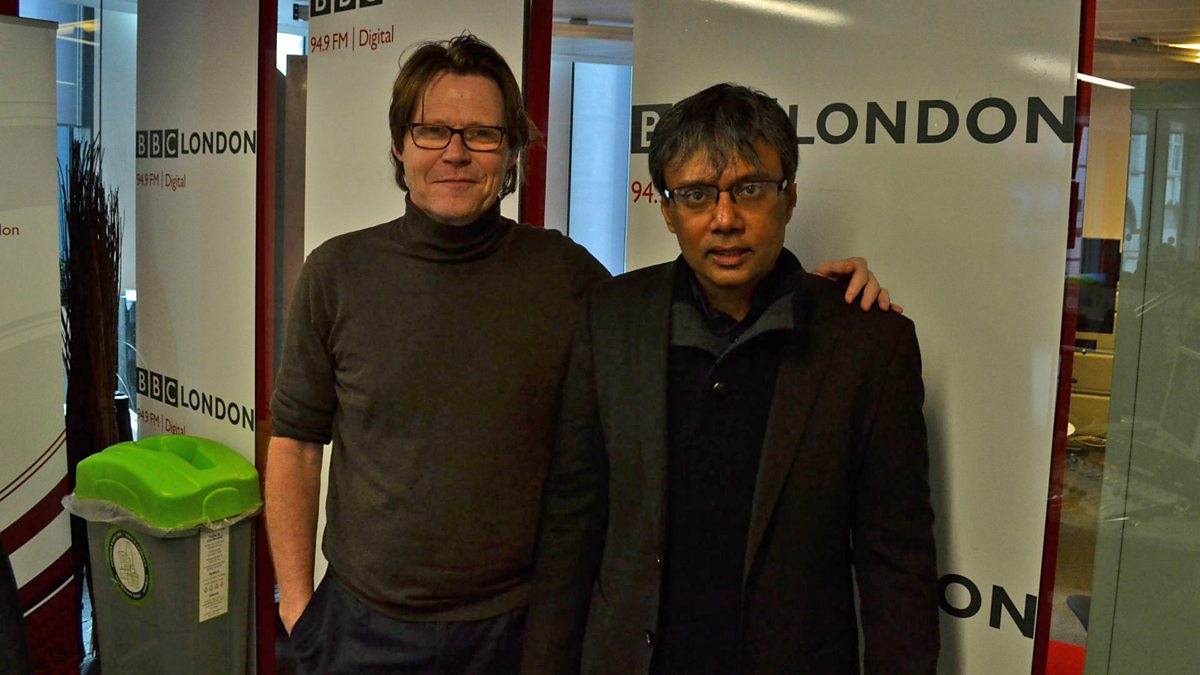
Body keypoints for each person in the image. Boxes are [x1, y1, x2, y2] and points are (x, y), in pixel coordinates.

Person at [266, 35, 894, 673]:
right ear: (401, 145)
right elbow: (295, 443)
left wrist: (815, 298)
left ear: (512, 151)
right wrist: (297, 607)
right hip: (361, 630)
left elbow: (690, 294)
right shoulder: (336, 273)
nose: (455, 153)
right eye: (431, 131)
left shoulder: (567, 277)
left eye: (482, 134)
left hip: (519, 631)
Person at [521, 83, 939, 674]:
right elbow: (573, 522)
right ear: (667, 211)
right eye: (696, 195)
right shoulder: (610, 318)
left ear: (789, 198)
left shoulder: (869, 343)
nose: (725, 220)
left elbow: (896, 562)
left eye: (750, 189)